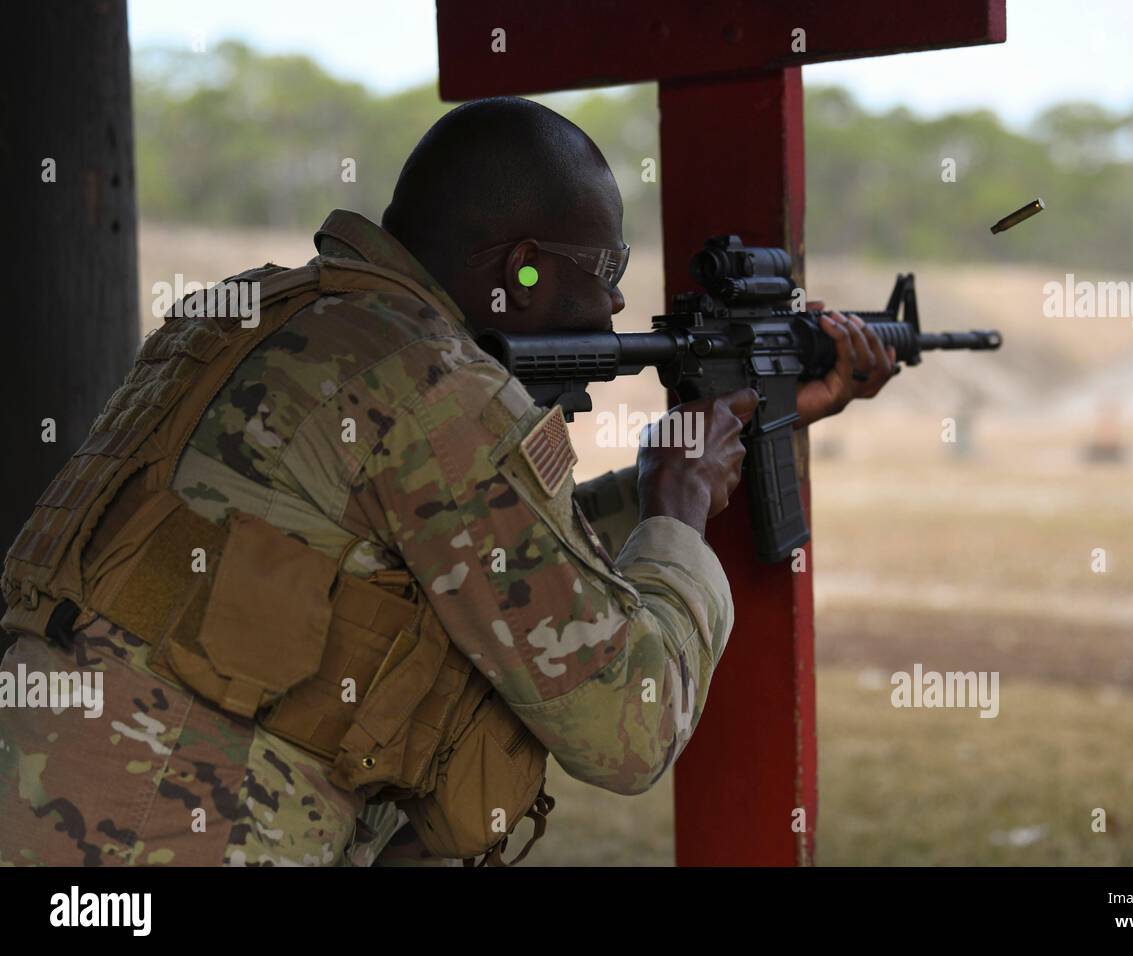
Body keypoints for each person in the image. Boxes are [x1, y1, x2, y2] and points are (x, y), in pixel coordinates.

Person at [0, 96, 896, 866]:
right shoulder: (433, 386)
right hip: (152, 831)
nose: (618, 305)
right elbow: (628, 724)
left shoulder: (260, 311)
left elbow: (461, 547)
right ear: (522, 271)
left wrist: (688, 463)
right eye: (606, 271)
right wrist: (682, 510)